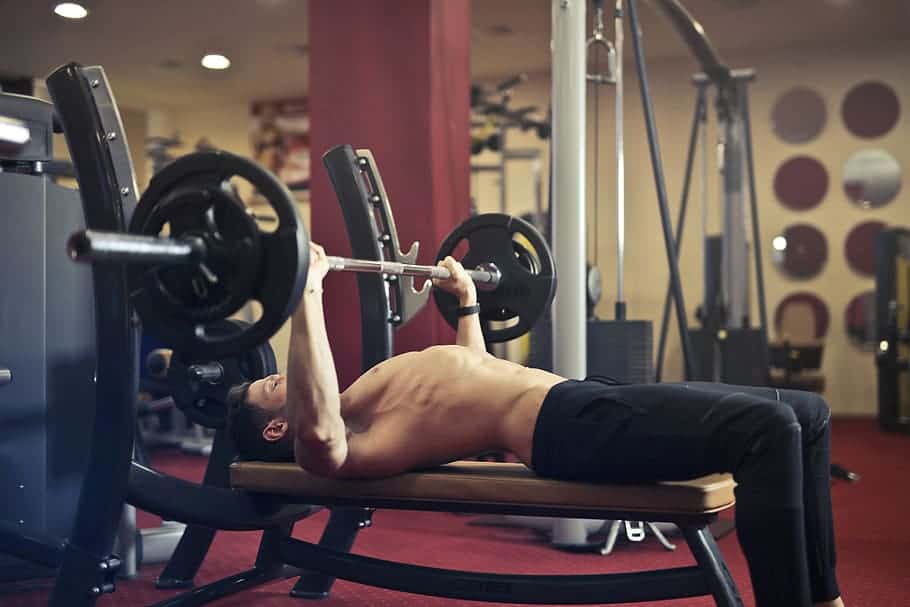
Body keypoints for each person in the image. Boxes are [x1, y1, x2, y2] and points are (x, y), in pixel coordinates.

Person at [229, 242, 845, 607]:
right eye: (273, 384)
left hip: (582, 402)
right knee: (765, 429)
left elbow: (473, 370)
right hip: (568, 431)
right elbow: (319, 429)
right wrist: (306, 295)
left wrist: (465, 302)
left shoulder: (367, 397)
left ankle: (825, 599)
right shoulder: (334, 446)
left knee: (807, 414)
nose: (288, 376)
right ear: (278, 428)